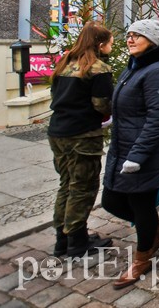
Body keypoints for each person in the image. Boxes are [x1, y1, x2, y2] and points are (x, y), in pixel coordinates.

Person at [102, 19, 159, 289]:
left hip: (146, 152)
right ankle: (158, 230)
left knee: (140, 203)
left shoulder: (158, 71)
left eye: (138, 35)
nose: (130, 39)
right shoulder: (134, 67)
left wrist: (138, 155)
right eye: (129, 34)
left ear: (153, 40)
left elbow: (158, 118)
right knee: (111, 200)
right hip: (125, 146)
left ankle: (142, 258)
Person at [47, 21, 114, 257]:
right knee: (83, 187)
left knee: (66, 183)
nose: (112, 46)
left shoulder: (64, 64)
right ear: (100, 43)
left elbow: (55, 95)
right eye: (110, 42)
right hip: (83, 135)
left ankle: (62, 239)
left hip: (58, 132)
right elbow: (101, 104)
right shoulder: (98, 69)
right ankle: (77, 240)